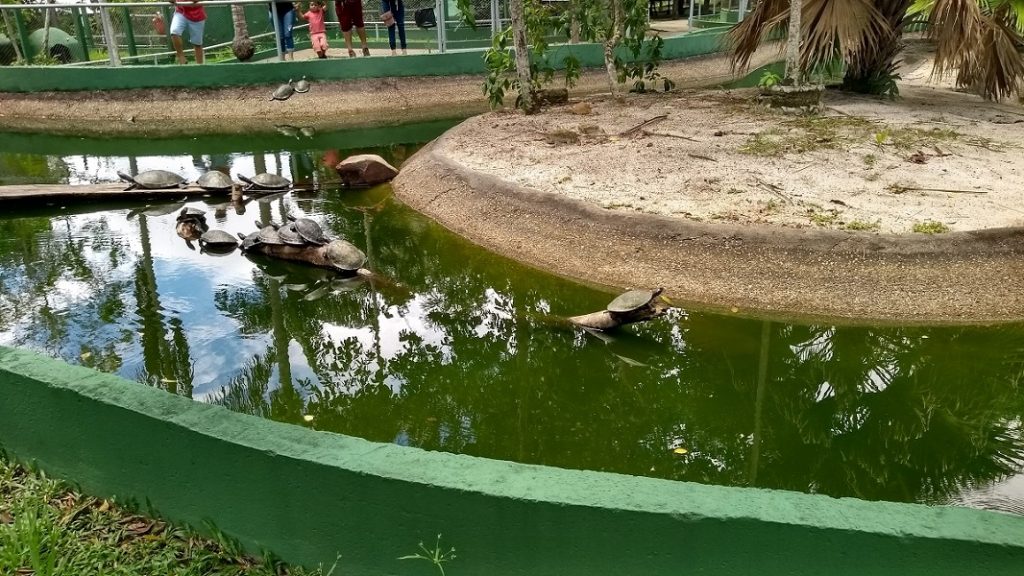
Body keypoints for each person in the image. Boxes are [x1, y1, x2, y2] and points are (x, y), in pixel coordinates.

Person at [169, 0, 206, 65]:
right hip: (181, 12)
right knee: (174, 32)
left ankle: (200, 67)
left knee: (197, 44)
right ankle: (181, 57)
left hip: (197, 15)